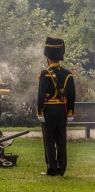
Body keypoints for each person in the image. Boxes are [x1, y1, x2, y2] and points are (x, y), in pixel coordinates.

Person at [37, 37, 75, 176]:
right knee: (61, 140)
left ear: (48, 58)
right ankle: (61, 169)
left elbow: (41, 95)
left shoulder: (44, 74)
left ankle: (52, 169)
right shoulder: (68, 74)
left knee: (49, 140)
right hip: (62, 110)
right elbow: (71, 95)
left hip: (48, 110)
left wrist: (39, 112)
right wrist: (70, 113)